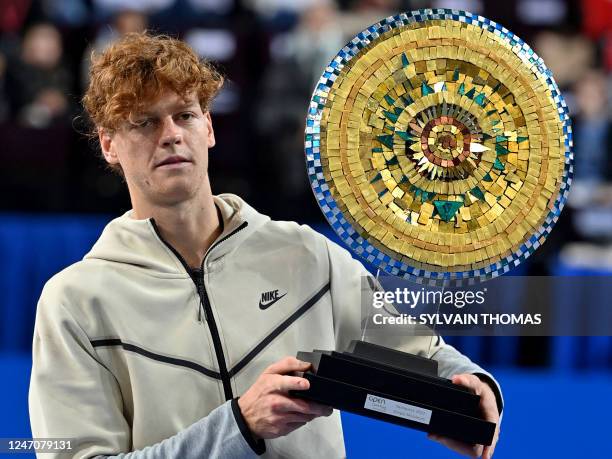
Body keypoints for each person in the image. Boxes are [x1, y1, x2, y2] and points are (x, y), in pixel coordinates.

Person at [29, 32, 502, 459]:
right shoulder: (75, 301)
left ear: (208, 128)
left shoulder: (306, 254)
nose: (170, 133)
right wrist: (240, 427)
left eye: (184, 115)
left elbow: (420, 353)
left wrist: (473, 388)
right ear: (109, 145)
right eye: (144, 122)